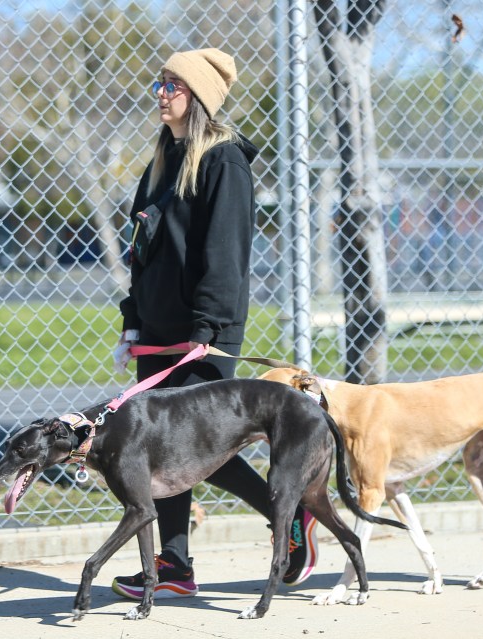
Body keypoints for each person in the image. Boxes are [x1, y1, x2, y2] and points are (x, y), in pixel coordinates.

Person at [110, 47, 319, 600]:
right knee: (160, 447)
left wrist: (208, 329)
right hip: (157, 331)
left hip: (202, 332)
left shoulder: (224, 161)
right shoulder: (162, 161)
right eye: (160, 83)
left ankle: (290, 514)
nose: (161, 93)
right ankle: (174, 565)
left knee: (200, 448)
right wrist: (133, 319)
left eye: (173, 85)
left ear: (198, 96)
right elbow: (142, 250)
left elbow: (225, 253)